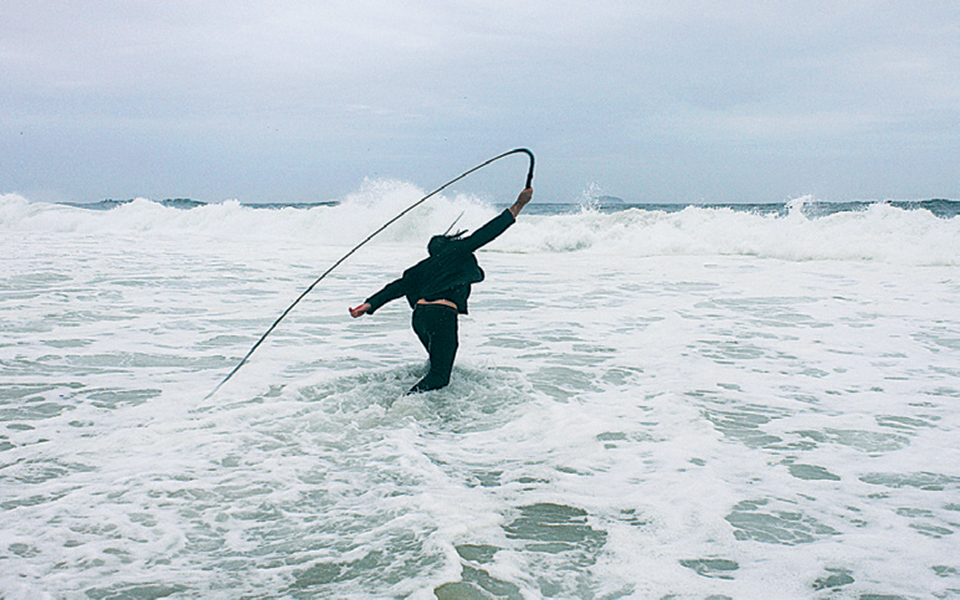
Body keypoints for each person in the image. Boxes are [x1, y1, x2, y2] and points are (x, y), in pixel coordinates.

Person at [350, 188, 533, 393]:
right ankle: (402, 406)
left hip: (419, 318)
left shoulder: (421, 267)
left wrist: (368, 305)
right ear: (449, 245)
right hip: (441, 315)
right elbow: (487, 233)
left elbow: (396, 287)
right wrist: (519, 205)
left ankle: (425, 414)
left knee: (435, 366)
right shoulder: (457, 251)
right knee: (439, 377)